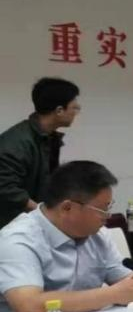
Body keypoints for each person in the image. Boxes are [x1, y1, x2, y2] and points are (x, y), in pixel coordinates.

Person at [0, 161, 133, 312]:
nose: (108, 216)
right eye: (102, 210)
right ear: (67, 207)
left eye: (109, 207)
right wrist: (112, 294)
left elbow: (124, 280)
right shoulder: (18, 240)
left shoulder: (97, 234)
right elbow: (29, 306)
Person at [0, 78, 81, 229]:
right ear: (59, 111)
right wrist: (43, 214)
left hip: (31, 223)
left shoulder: (47, 137)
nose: (76, 112)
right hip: (11, 227)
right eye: (74, 108)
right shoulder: (17, 142)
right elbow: (6, 188)